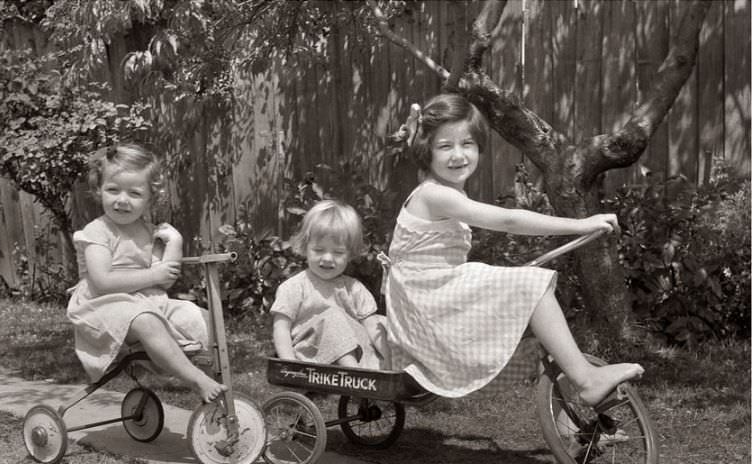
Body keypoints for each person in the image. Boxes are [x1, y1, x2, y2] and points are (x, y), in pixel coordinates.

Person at [382, 93, 643, 405]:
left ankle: (572, 426)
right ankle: (586, 381)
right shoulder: (436, 195)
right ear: (427, 152)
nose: (458, 155)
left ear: (479, 146)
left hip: (434, 293)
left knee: (534, 305)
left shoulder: (441, 190)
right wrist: (581, 224)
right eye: (444, 146)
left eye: (467, 144)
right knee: (531, 286)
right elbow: (509, 220)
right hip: (426, 303)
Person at [66, 143, 225, 403]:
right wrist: (154, 276)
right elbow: (102, 281)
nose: (122, 200)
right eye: (113, 190)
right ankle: (196, 379)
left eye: (135, 193)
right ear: (99, 190)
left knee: (205, 318)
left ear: (151, 197)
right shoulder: (97, 232)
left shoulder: (148, 231)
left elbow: (165, 278)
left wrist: (174, 243)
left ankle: (214, 389)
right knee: (145, 319)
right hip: (102, 306)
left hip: (147, 301)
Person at [271, 200, 390, 369]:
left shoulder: (354, 289)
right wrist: (289, 364)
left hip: (356, 352)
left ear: (349, 254)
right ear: (306, 247)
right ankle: (353, 375)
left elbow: (372, 327)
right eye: (319, 250)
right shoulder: (294, 287)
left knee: (381, 323)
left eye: (338, 252)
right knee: (334, 317)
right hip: (312, 357)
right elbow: (281, 328)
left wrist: (389, 361)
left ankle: (381, 371)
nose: (327, 258)